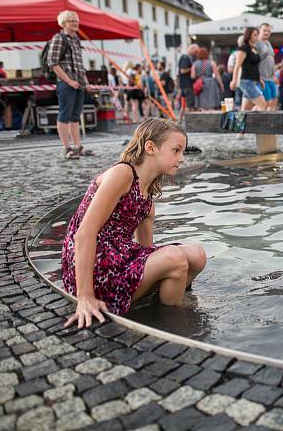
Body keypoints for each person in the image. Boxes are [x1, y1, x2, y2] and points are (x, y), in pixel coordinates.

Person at [61, 118, 207, 329]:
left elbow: (145, 251)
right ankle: (171, 322)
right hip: (92, 270)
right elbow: (84, 233)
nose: (181, 158)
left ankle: (163, 303)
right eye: (176, 150)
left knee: (196, 255)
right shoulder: (123, 174)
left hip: (119, 260)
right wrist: (84, 296)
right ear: (150, 147)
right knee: (175, 258)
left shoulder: (147, 198)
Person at [48, 10, 94, 159]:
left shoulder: (76, 39)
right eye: (71, 21)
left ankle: (77, 147)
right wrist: (69, 81)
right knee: (64, 115)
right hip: (66, 83)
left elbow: (80, 65)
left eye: (76, 20)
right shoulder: (59, 38)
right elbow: (53, 63)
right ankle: (67, 149)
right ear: (63, 23)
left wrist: (85, 82)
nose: (75, 23)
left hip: (79, 84)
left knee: (75, 117)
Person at [230, 28, 266, 112]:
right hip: (246, 82)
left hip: (254, 81)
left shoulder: (254, 49)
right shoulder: (243, 48)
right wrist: (234, 80)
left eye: (257, 34)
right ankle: (259, 124)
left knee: (246, 109)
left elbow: (255, 66)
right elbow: (237, 66)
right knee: (263, 104)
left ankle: (245, 124)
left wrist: (260, 79)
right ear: (248, 35)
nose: (257, 37)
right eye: (254, 35)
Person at [257, 23, 278, 111]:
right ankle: (260, 121)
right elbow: (253, 61)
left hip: (270, 78)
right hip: (262, 78)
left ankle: (271, 122)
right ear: (259, 31)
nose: (266, 33)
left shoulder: (268, 43)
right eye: (264, 30)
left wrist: (274, 75)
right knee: (266, 103)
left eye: (268, 31)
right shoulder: (257, 43)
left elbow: (271, 59)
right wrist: (258, 76)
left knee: (274, 101)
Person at [177, 44, 198, 119]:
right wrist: (192, 68)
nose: (196, 54)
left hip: (184, 85)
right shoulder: (186, 57)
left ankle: (179, 121)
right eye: (195, 52)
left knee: (183, 105)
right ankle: (189, 123)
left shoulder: (185, 57)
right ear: (191, 49)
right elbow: (182, 71)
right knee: (189, 105)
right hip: (187, 85)